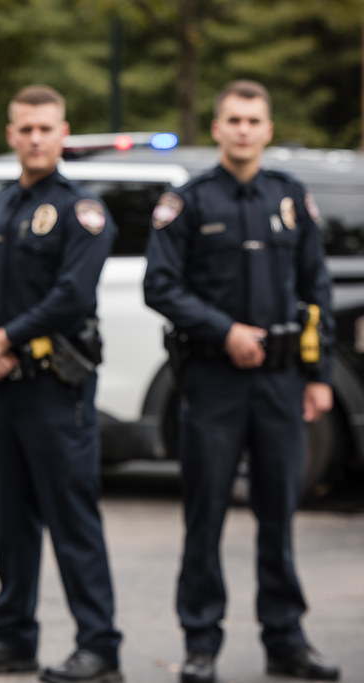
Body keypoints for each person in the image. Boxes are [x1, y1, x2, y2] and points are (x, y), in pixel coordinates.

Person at [143, 80, 340, 683]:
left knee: (279, 516)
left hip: (281, 385)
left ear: (268, 128)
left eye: (254, 119)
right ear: (218, 127)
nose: (244, 129)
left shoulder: (290, 197)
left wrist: (319, 375)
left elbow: (316, 289)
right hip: (212, 382)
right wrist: (225, 330)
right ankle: (200, 644)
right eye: (233, 119)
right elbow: (161, 285)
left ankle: (286, 640)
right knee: (204, 517)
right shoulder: (189, 201)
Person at [0, 85, 124, 683]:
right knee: (12, 520)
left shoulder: (83, 210)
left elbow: (72, 296)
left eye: (45, 129)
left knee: (72, 520)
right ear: (11, 134)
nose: (34, 138)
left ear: (63, 133)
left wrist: (4, 339)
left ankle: (100, 647)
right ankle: (14, 638)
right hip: (3, 391)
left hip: (58, 390)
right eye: (24, 128)